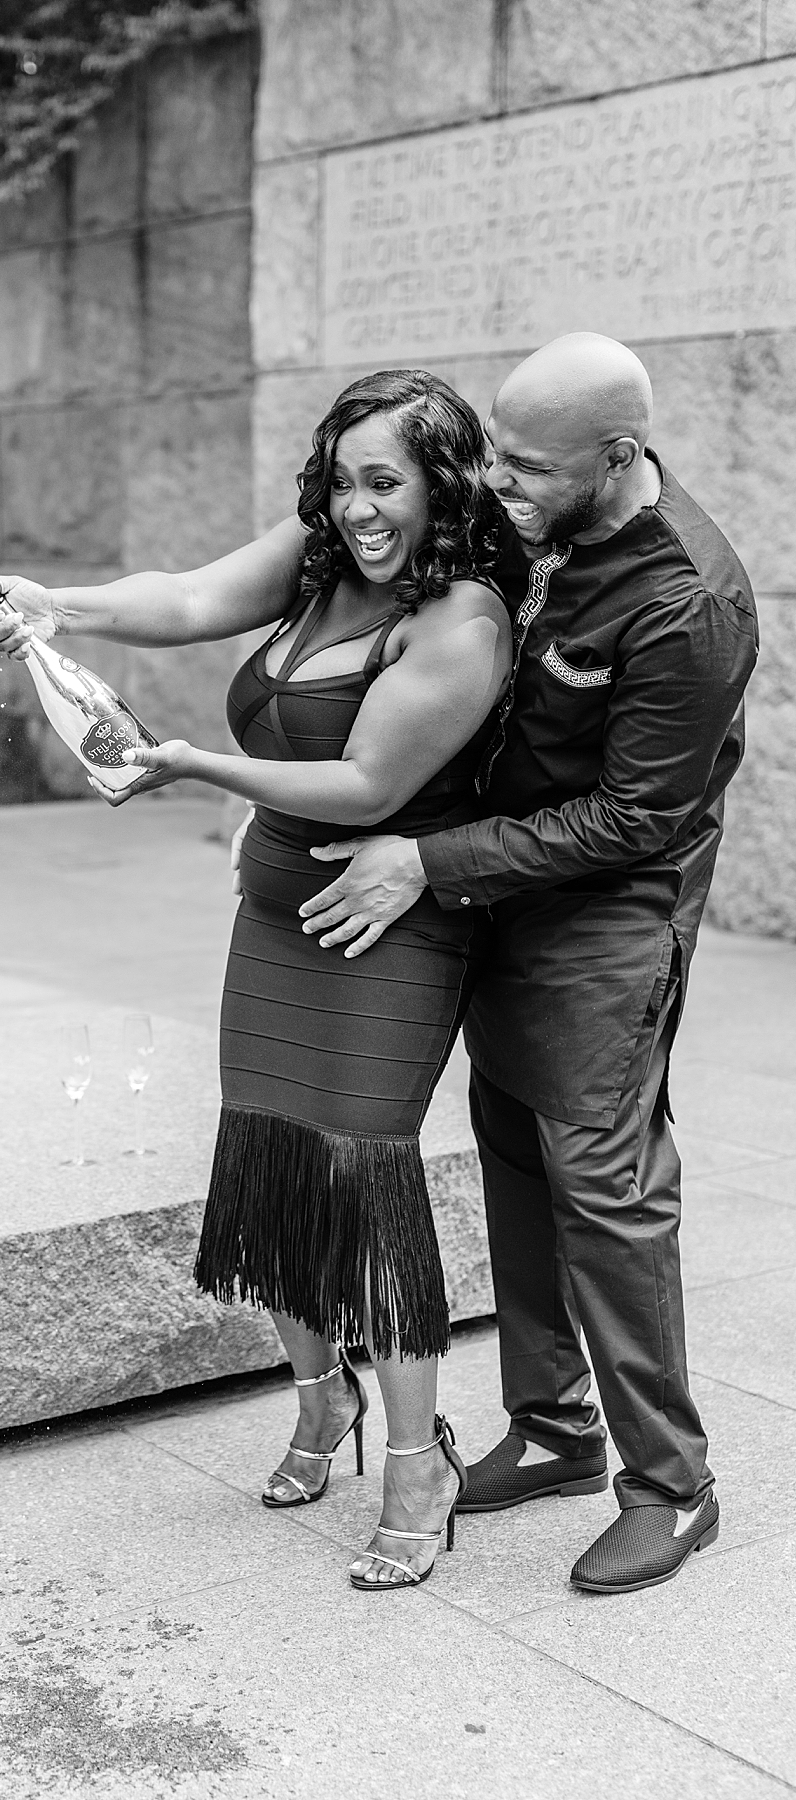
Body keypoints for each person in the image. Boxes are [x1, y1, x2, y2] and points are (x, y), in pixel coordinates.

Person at [0, 369, 512, 1591]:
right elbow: (195, 596)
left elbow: (371, 785)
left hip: (385, 937)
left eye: (388, 483)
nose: (361, 507)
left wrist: (192, 765)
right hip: (271, 922)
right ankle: (323, 1403)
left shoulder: (460, 619)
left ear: (442, 484)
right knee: (267, 1160)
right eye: (343, 478)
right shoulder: (322, 555)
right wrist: (63, 604)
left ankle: (419, 1459)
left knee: (365, 1184)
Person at [294, 333, 759, 1595]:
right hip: (499, 892)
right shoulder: (536, 514)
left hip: (607, 920)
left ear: (618, 458)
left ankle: (674, 1485)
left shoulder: (688, 602)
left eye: (529, 466)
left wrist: (425, 860)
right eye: (496, 451)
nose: (498, 482)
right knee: (511, 1157)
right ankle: (555, 1427)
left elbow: (636, 817)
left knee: (604, 1189)